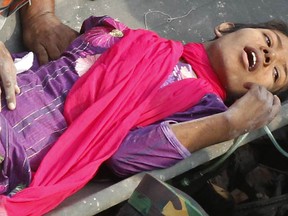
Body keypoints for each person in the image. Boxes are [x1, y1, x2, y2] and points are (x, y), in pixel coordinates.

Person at [0, 15, 287, 215]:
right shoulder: (138, 38)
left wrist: (228, 124)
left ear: (257, 97)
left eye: (276, 73)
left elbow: (124, 155)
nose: (268, 55)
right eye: (268, 40)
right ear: (226, 27)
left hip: (17, 146)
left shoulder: (203, 111)